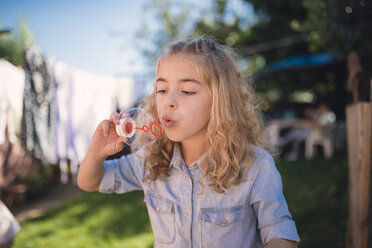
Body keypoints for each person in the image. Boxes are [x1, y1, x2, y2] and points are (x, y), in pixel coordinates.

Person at [77, 37, 300, 248]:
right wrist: (97, 152)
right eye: (161, 90)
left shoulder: (255, 165)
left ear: (220, 102)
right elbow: (90, 182)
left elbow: (280, 233)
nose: (169, 101)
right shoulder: (150, 160)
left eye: (187, 91)